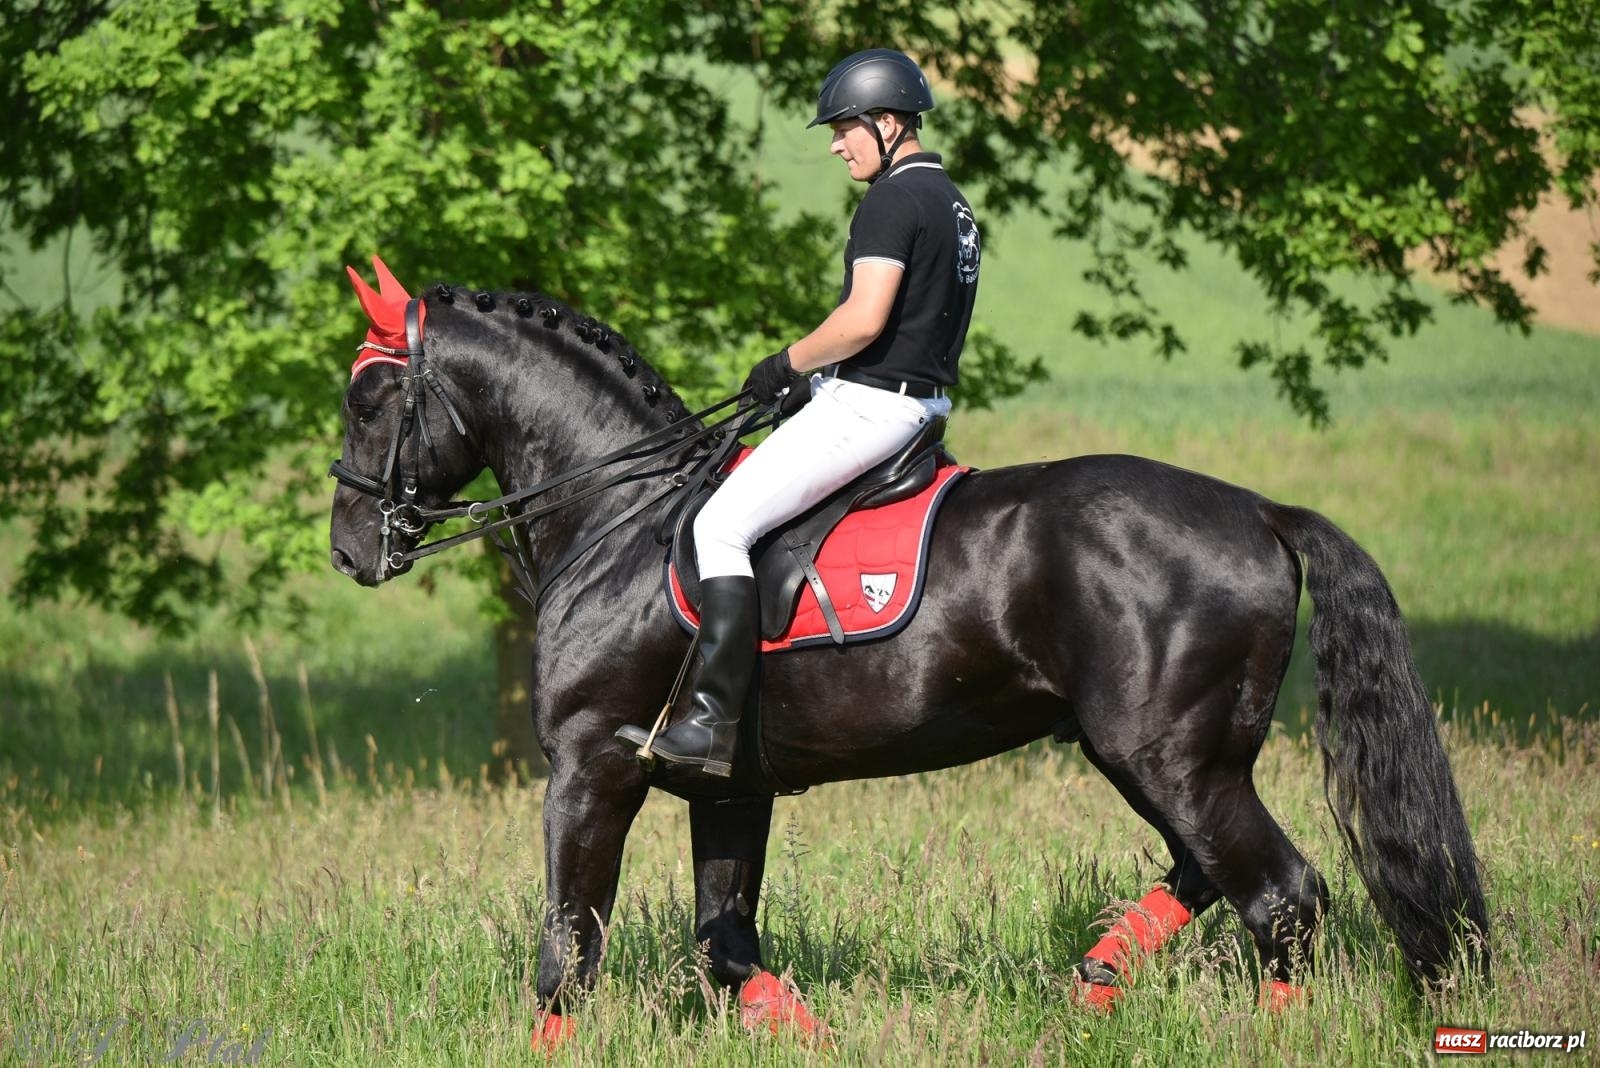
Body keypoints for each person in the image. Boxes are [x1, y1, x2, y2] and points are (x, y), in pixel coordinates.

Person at [643, 48, 982, 781]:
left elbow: (863, 320)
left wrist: (787, 362)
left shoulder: (893, 200)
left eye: (845, 128)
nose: (836, 144)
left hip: (869, 408)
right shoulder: (953, 203)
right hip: (914, 404)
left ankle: (711, 724)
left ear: (888, 124)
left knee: (718, 525)